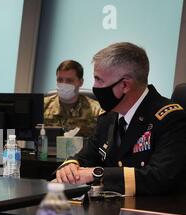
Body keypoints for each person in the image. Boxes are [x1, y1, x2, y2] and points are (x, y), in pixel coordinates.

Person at [56, 42, 186, 196]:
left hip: (154, 214)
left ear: (125, 85)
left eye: (99, 80)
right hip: (110, 212)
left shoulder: (170, 119)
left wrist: (97, 173)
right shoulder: (109, 118)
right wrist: (70, 167)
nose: (94, 86)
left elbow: (158, 177)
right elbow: (85, 157)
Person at [44, 60, 103, 137]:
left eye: (69, 80)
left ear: (80, 82)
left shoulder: (97, 110)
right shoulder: (42, 106)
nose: (63, 84)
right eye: (60, 80)